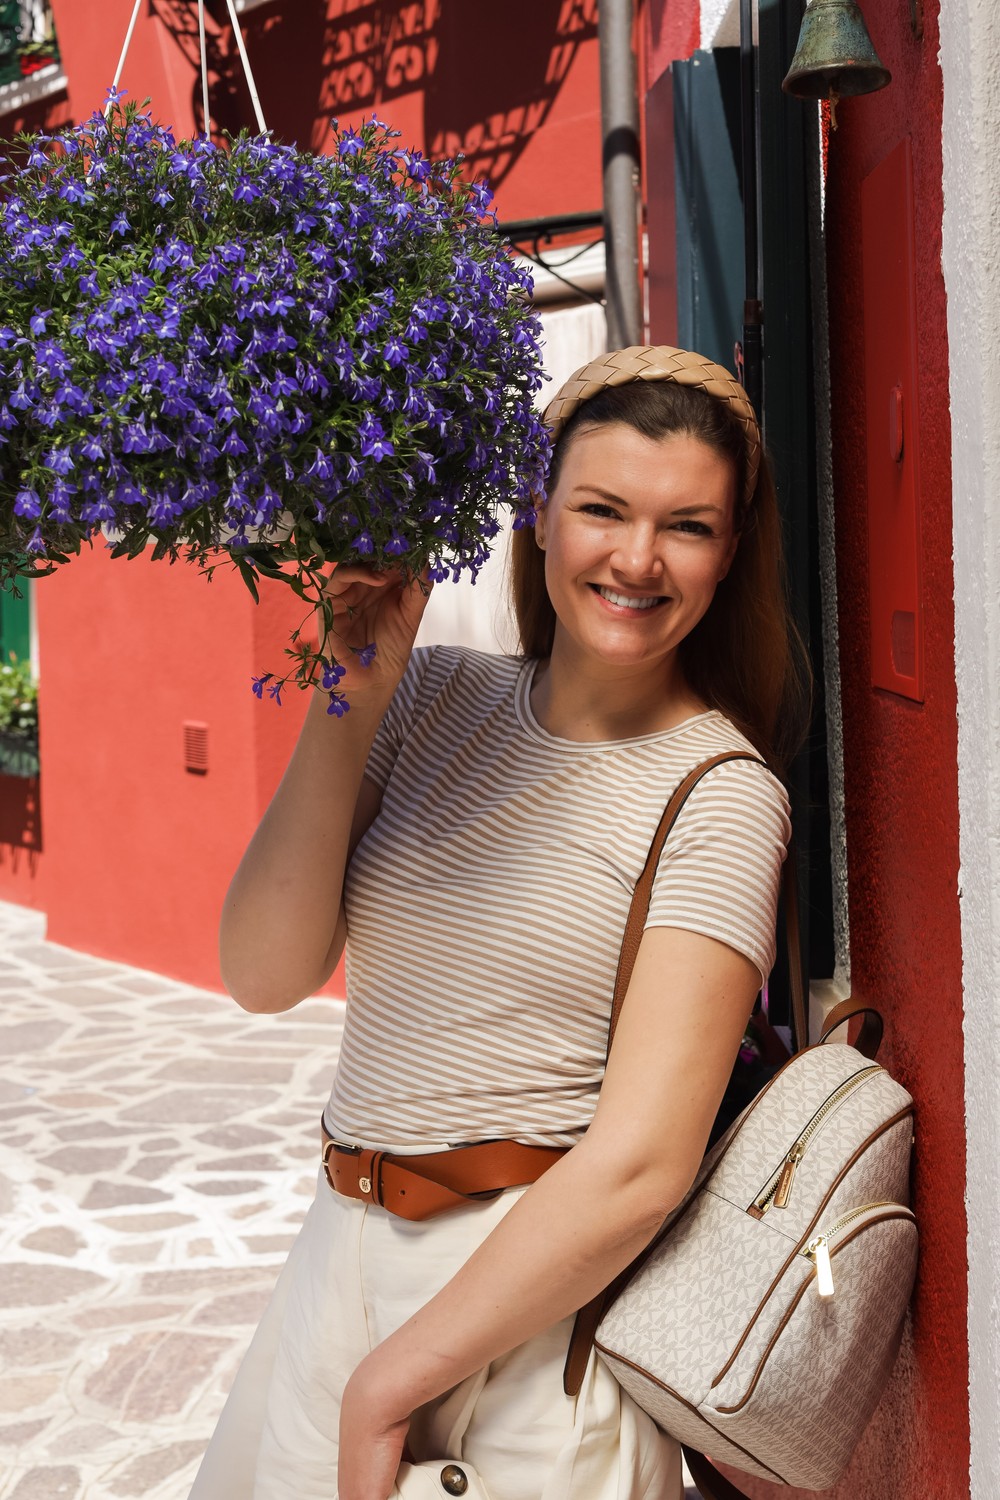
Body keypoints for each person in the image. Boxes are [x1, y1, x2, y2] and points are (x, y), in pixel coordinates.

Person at [188, 345, 808, 1500]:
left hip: (521, 1318)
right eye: (601, 509)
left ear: (730, 557)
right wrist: (349, 695)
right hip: (336, 1259)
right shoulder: (431, 697)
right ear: (538, 513)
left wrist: (389, 1385)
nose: (636, 558)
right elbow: (262, 973)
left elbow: (638, 1164)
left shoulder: (720, 794)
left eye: (687, 526)